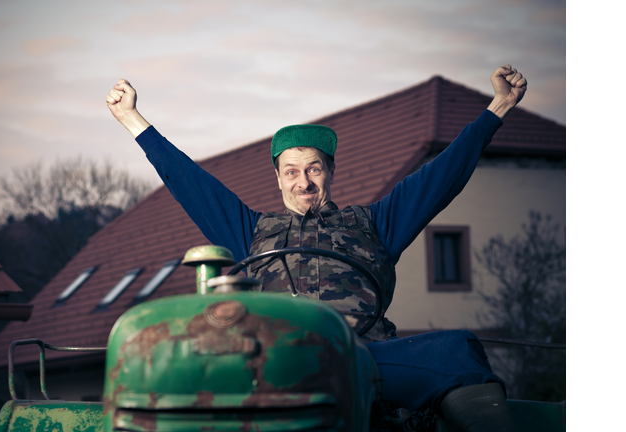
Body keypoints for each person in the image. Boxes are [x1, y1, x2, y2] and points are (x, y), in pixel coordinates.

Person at [106, 65, 527, 432]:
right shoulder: (251, 230)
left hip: (363, 357)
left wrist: (498, 109)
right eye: (291, 171)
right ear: (277, 177)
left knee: (456, 351)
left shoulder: (375, 223)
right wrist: (131, 119)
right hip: (278, 357)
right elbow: (189, 182)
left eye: (313, 169)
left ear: (329, 171)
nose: (303, 182)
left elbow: (442, 176)